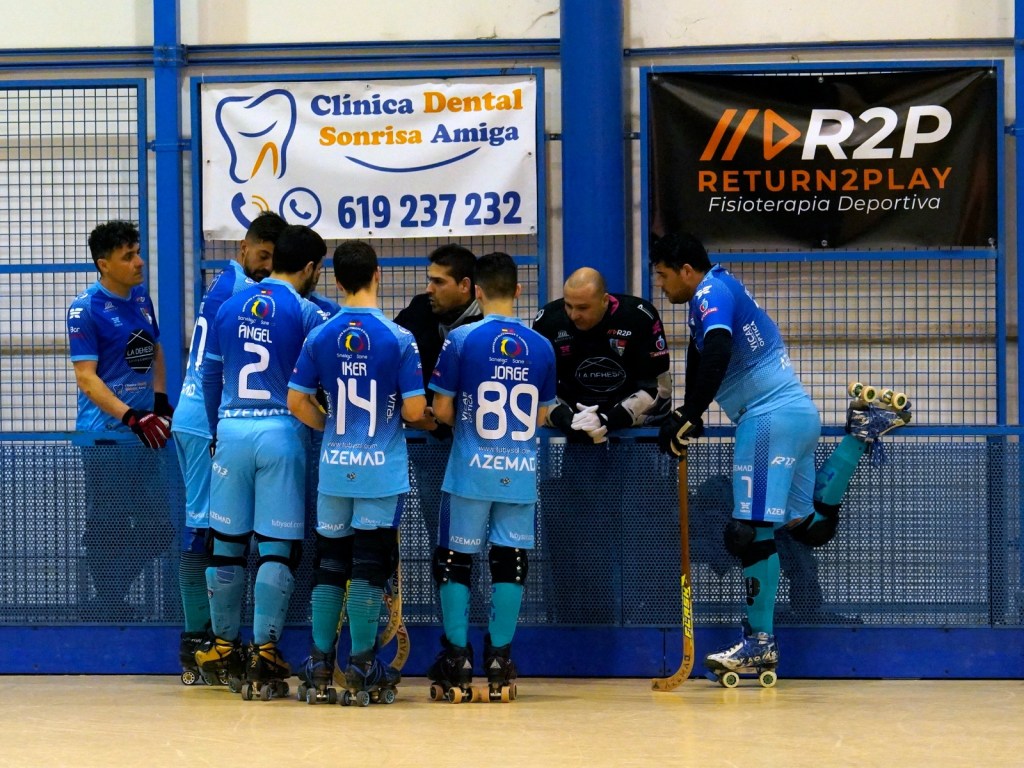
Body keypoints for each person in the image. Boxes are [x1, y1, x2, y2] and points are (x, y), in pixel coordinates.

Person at [650, 232, 911, 681]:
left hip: (767, 419)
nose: (661, 285)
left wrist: (690, 414)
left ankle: (760, 643)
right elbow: (700, 357)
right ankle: (859, 435)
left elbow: (717, 350)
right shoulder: (719, 290)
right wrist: (688, 413)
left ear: (686, 271)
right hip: (796, 415)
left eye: (662, 276)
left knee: (748, 533)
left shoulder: (710, 292)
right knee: (809, 527)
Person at [194, 224, 331, 696]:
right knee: (276, 547)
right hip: (281, 433)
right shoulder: (309, 313)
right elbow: (323, 383)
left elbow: (209, 377)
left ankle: (222, 649)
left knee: (226, 545)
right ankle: (264, 654)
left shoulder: (229, 305)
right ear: (310, 267)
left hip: (231, 429)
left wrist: (217, 430)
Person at [288, 240, 426, 704]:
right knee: (369, 565)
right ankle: (363, 664)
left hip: (335, 467)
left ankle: (319, 665)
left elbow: (296, 400)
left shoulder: (320, 336)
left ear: (337, 280)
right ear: (377, 274)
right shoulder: (399, 338)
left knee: (330, 563)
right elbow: (414, 410)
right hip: (380, 472)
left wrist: (330, 427)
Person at [426, 251, 557, 702]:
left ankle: (457, 657)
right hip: (519, 472)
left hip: (469, 471)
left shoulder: (461, 339)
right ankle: (500, 658)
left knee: (454, 559)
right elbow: (542, 415)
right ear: (518, 290)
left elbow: (442, 409)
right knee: (510, 560)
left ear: (477, 291)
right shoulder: (541, 345)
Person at [171, 211, 287, 683]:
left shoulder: (225, 282)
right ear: (243, 247)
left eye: (274, 259)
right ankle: (198, 641)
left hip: (201, 418)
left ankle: (210, 641)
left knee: (214, 528)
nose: (267, 266)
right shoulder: (243, 291)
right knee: (203, 528)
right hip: (205, 420)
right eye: (262, 255)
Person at [532, 268, 672, 624]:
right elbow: (537, 392)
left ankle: (650, 616)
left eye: (582, 307)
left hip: (636, 441)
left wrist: (610, 419)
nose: (574, 315)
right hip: (580, 440)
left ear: (605, 301)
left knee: (644, 527)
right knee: (584, 531)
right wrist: (570, 419)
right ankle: (588, 616)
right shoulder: (548, 321)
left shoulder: (638, 317)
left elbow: (658, 389)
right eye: (569, 305)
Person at [67, 220, 176, 622]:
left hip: (144, 435)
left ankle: (108, 598)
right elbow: (86, 378)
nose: (139, 262)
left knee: (159, 528)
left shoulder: (141, 297)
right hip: (106, 437)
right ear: (104, 264)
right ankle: (109, 604)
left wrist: (160, 402)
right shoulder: (85, 309)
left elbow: (155, 349)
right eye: (128, 256)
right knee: (107, 525)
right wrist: (131, 416)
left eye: (138, 252)